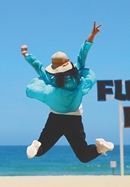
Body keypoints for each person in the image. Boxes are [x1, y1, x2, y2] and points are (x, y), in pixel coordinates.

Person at [21, 22, 113, 161]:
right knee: (83, 155)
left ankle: (36, 145)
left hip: (55, 118)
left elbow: (38, 67)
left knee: (40, 150)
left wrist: (26, 54)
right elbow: (83, 53)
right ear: (68, 61)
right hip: (74, 120)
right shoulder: (78, 76)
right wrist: (92, 35)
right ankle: (99, 148)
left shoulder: (51, 78)